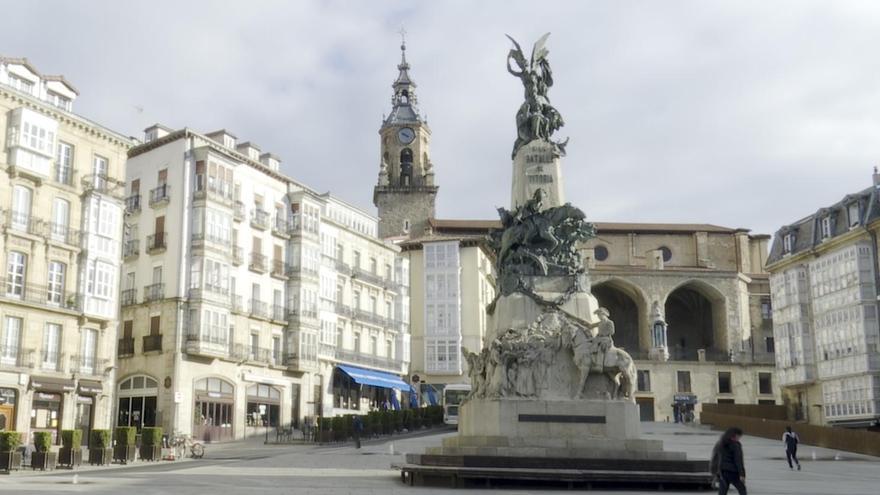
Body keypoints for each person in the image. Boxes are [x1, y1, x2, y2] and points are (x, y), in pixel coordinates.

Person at [710, 427, 747, 495]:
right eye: (739, 436)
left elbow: (715, 458)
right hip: (733, 472)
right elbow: (738, 461)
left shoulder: (720, 443)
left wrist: (715, 472)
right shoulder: (735, 445)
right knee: (742, 489)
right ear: (735, 435)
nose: (739, 438)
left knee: (722, 492)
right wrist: (742, 474)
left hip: (723, 472)